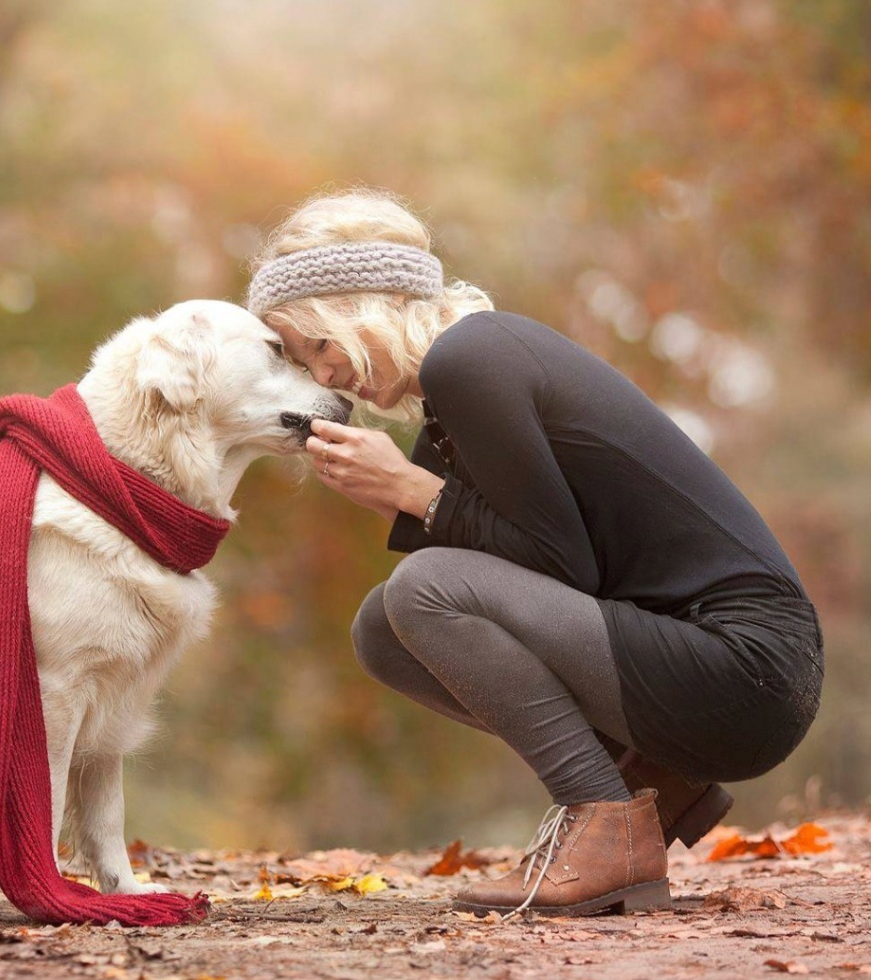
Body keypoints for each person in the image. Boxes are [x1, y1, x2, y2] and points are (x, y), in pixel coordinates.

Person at [245, 188, 824, 918]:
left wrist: (415, 491)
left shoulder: (472, 359)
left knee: (423, 588)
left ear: (360, 306)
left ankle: (604, 818)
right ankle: (647, 782)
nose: (324, 377)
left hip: (744, 669)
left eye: (319, 346)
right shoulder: (458, 386)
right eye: (306, 363)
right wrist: (407, 491)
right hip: (720, 670)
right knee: (383, 629)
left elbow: (561, 567)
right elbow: (544, 566)